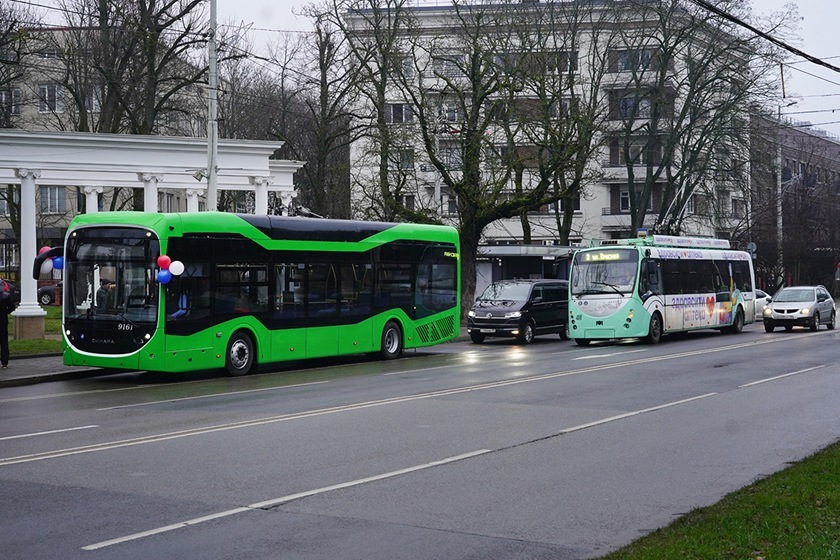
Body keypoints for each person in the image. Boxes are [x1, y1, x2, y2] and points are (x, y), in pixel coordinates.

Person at [0, 288, 14, 368]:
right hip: (3, 321)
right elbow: (12, 307)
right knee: (4, 342)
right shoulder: (5, 296)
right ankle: (4, 363)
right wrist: (5, 312)